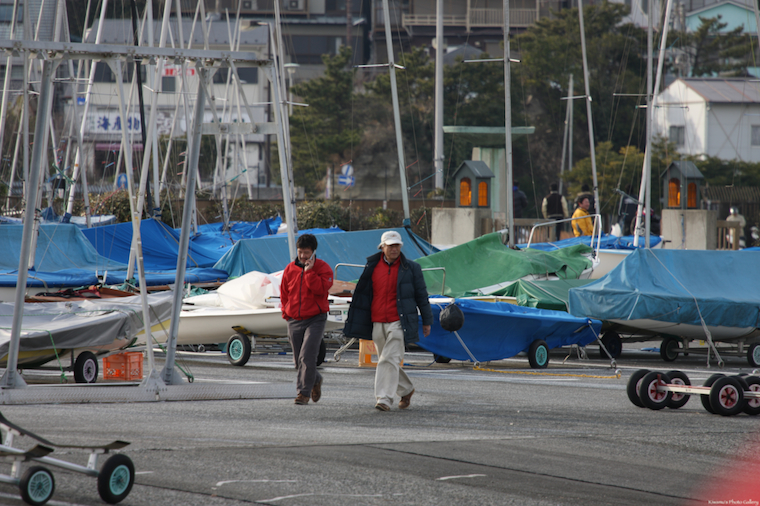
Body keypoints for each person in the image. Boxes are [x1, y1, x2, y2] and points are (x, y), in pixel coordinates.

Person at [343, 230, 433, 411]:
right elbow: (363, 295)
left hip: (399, 321)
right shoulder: (372, 266)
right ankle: (406, 390)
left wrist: (427, 321)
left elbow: (422, 296)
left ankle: (384, 399)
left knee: (388, 359)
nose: (394, 249)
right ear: (382, 247)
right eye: (391, 246)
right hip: (377, 321)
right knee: (387, 361)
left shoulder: (412, 268)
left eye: (397, 245)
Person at [280, 234, 334, 405]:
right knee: (299, 362)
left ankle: (303, 393)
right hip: (294, 319)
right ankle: (316, 379)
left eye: (306, 252)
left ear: (313, 252)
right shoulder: (289, 269)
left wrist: (309, 272)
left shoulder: (324, 268)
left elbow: (320, 290)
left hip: (315, 319)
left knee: (307, 357)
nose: (303, 256)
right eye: (300, 252)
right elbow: (284, 293)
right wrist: (286, 313)